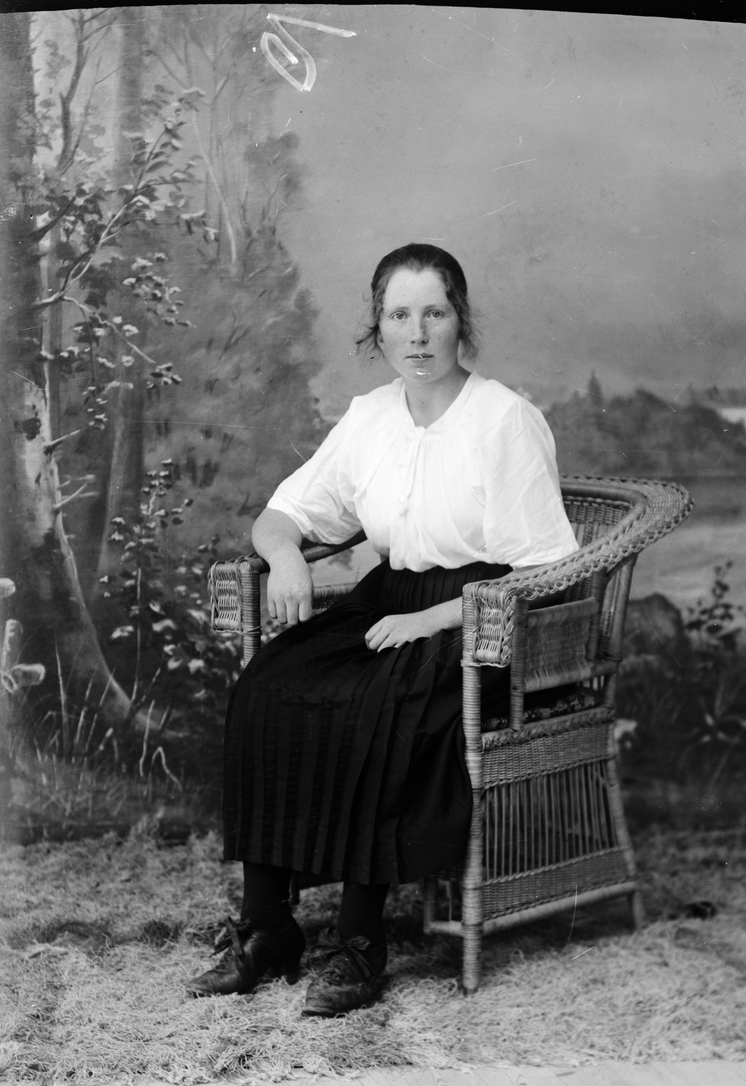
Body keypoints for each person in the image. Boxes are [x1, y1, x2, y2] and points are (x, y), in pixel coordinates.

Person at [187, 243, 579, 1015]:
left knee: (378, 707)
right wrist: (286, 559)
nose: (418, 333)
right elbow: (284, 514)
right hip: (387, 597)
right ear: (379, 327)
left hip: (481, 617)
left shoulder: (504, 420)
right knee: (268, 686)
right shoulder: (369, 417)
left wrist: (433, 617)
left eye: (434, 312)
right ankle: (267, 928)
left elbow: (545, 569)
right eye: (400, 315)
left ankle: (360, 943)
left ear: (460, 320)